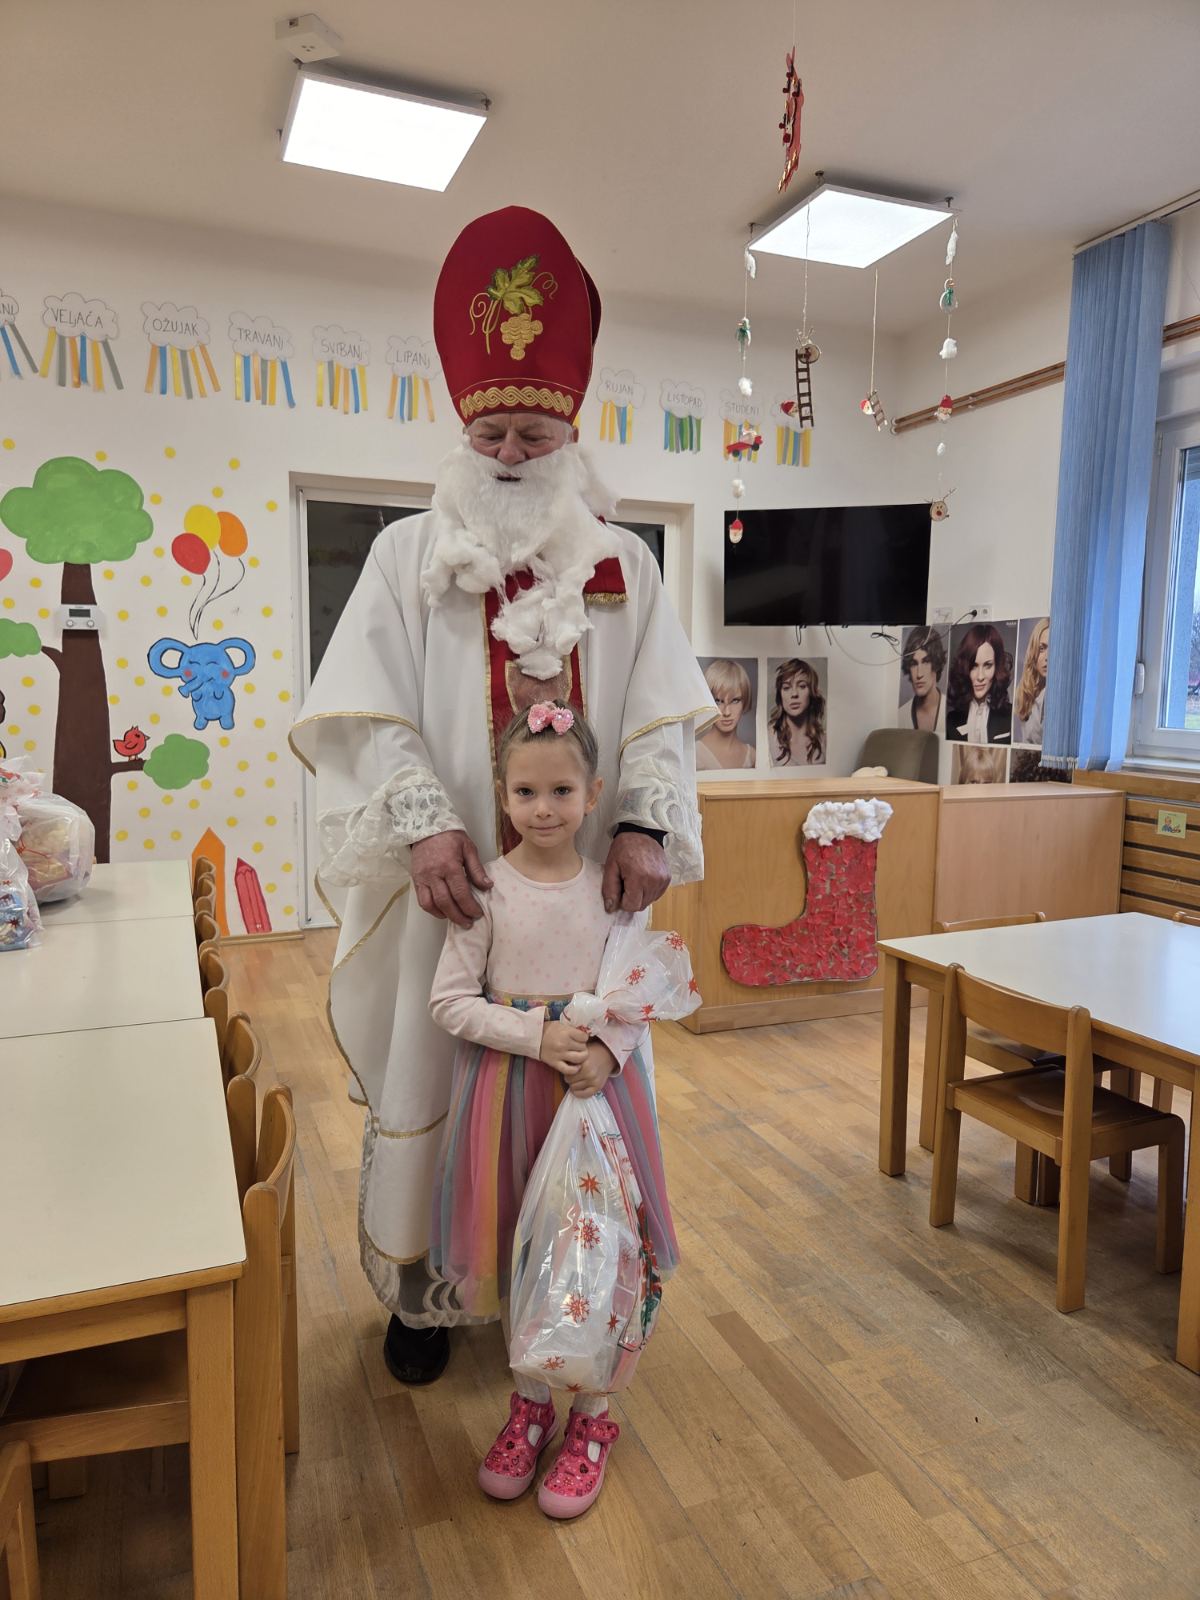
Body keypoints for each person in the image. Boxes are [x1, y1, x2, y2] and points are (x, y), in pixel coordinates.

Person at [290, 206, 713, 1387]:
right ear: (461, 432)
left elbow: (661, 718)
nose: (514, 452)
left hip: (582, 908)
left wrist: (645, 822)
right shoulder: (403, 559)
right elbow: (364, 713)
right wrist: (425, 823)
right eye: (493, 431)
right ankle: (430, 1293)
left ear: (573, 431)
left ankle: (577, 1286)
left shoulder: (627, 566)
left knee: (583, 1074)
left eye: (536, 430)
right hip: (458, 896)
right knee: (442, 1070)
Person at [428, 700, 675, 1517]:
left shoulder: (614, 891)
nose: (544, 809)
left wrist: (606, 1052)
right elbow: (450, 1001)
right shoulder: (487, 894)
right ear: (501, 796)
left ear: (594, 794)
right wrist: (537, 1037)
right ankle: (531, 1404)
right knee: (525, 1248)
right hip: (509, 1100)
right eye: (526, 792)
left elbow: (638, 992)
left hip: (600, 1102)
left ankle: (594, 1413)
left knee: (597, 1246)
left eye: (562, 791)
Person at [946, 624, 1012, 744]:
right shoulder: (951, 719)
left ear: (997, 667)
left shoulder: (1012, 715)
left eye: (988, 665)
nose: (980, 677)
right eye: (973, 666)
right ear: (964, 668)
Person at [696, 658, 755, 769]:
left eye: (735, 700)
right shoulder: (693, 754)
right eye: (718, 701)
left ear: (745, 701)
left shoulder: (753, 757)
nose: (727, 712)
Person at [769, 658, 826, 765]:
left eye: (802, 686)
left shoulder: (824, 741)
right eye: (786, 687)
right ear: (780, 695)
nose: (794, 694)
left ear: (811, 692)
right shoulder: (767, 738)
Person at [897, 625, 946, 734]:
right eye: (914, 664)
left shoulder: (951, 712)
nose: (919, 674)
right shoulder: (901, 715)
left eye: (926, 662)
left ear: (936, 664)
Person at [1014, 618, 1049, 745]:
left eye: (1054, 648)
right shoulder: (1027, 693)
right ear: (1033, 651)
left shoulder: (1050, 694)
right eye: (1042, 648)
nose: (1047, 657)